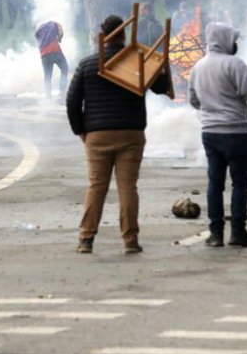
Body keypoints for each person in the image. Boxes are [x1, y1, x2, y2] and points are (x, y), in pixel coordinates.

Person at [66, 15, 172, 254]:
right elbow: (160, 87)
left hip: (97, 134)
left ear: (102, 35)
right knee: (128, 188)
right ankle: (130, 240)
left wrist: (81, 130)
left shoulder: (87, 64)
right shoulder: (137, 61)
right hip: (131, 133)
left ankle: (86, 239)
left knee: (96, 187)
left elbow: (72, 102)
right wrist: (163, 67)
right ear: (123, 35)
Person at [188, 22, 247, 248]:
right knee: (239, 184)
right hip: (235, 131)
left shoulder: (197, 67)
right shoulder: (235, 64)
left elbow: (194, 100)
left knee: (215, 183)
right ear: (225, 40)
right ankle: (238, 233)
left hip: (210, 132)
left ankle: (215, 233)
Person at [35, 21, 69, 100]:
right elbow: (60, 33)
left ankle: (48, 96)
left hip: (44, 54)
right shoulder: (55, 24)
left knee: (47, 76)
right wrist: (59, 38)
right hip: (55, 51)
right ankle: (62, 91)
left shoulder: (39, 30)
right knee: (65, 68)